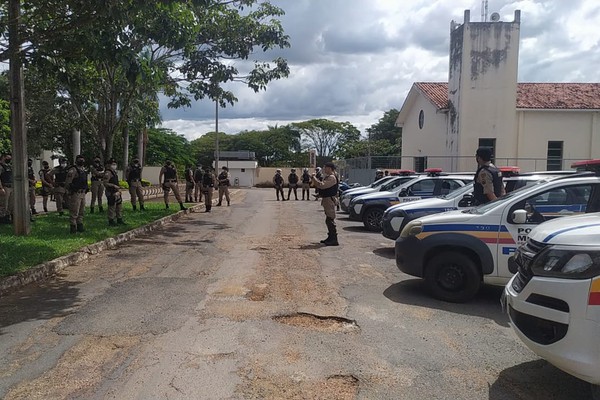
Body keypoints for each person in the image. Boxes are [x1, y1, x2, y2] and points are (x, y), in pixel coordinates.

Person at [311, 162, 339, 246]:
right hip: (327, 199)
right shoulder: (328, 177)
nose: (324, 169)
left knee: (330, 219)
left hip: (329, 200)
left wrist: (314, 177)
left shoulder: (332, 177)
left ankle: (334, 239)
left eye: (325, 168)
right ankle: (330, 237)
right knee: (328, 219)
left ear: (330, 168)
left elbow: (322, 185)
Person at [65, 154, 89, 233]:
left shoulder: (83, 170)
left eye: (82, 160)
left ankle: (80, 226)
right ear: (76, 161)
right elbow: (68, 182)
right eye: (80, 160)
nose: (81, 161)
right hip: (76, 193)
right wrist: (70, 191)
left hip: (82, 193)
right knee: (74, 211)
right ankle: (73, 227)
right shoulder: (73, 169)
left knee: (81, 211)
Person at [103, 158, 125, 226]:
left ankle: (119, 219)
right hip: (111, 192)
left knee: (119, 206)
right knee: (112, 207)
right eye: (112, 164)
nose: (114, 165)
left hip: (117, 192)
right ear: (109, 165)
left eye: (115, 164)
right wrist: (114, 186)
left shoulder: (114, 172)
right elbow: (105, 183)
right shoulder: (108, 173)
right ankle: (111, 220)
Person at [0, 153, 13, 224]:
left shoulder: (9, 166)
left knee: (10, 204)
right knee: (4, 203)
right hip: (5, 187)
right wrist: (1, 188)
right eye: (8, 157)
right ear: (3, 157)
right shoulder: (1, 166)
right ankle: (2, 218)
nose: (10, 158)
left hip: (11, 186)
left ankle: (8, 217)